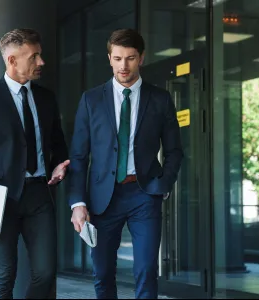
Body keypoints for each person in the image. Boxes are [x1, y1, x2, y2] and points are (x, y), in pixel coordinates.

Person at [68, 28, 183, 299]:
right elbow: (79, 156)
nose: (124, 65)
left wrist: (163, 183)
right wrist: (77, 203)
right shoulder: (91, 100)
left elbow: (175, 150)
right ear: (109, 58)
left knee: (145, 270)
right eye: (118, 58)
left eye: (130, 58)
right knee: (103, 273)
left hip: (144, 193)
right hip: (102, 197)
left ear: (141, 58)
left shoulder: (160, 99)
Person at [0, 28, 69, 299]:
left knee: (46, 273)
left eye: (40, 56)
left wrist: (59, 165)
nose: (41, 62)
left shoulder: (46, 98)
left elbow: (58, 144)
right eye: (34, 57)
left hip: (39, 194)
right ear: (12, 60)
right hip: (1, 198)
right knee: (3, 274)